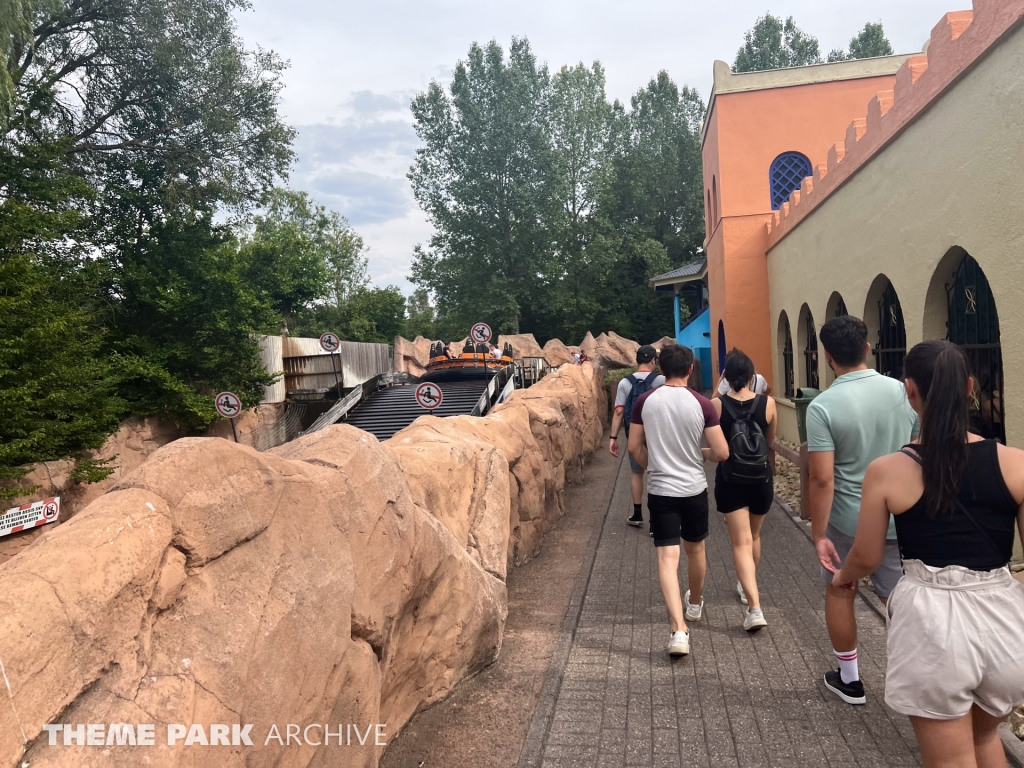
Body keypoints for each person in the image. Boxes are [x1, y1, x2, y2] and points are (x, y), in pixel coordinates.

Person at [834, 341, 1024, 767]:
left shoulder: (887, 471)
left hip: (932, 626)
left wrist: (842, 576)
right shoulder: (1017, 464)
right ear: (970, 388)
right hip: (1004, 624)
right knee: (984, 738)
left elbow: (866, 556)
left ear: (910, 390)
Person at [805, 315, 918, 705]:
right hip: (898, 517)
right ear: (867, 348)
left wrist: (819, 533)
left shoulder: (822, 407)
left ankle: (850, 680)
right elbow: (916, 453)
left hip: (847, 521)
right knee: (899, 601)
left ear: (827, 355)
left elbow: (822, 479)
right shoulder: (904, 393)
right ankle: (923, 676)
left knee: (840, 591)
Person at [628, 344, 729, 656]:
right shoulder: (703, 404)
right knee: (696, 549)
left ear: (661, 369)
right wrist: (701, 454)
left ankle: (679, 631)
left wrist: (653, 465)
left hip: (661, 491)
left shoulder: (645, 401)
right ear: (690, 369)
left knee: (666, 559)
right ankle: (694, 604)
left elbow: (633, 447)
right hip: (694, 489)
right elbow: (722, 452)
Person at [708, 349, 777, 632]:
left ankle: (755, 608)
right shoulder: (768, 403)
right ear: (752, 376)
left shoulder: (717, 405)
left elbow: (713, 442)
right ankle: (747, 588)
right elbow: (770, 442)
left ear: (726, 377)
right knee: (754, 536)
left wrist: (719, 386)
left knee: (740, 543)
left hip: (731, 478)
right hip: (761, 479)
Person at [609, 345, 665, 527]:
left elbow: (619, 412)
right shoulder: (661, 380)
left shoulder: (625, 382)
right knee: (657, 473)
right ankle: (656, 520)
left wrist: (613, 438)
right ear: (654, 361)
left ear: (637, 360)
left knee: (637, 473)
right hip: (657, 433)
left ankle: (637, 515)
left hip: (635, 434)